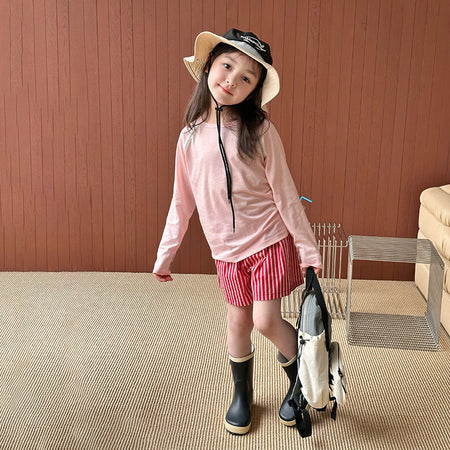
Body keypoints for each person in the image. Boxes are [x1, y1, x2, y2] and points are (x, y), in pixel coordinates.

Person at [153, 28, 322, 435]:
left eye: (246, 77)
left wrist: (308, 250)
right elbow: (181, 202)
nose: (232, 80)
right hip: (226, 252)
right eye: (227, 66)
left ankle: (302, 380)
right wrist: (165, 253)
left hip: (268, 242)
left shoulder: (261, 132)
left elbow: (286, 195)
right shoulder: (189, 138)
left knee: (265, 320)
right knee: (237, 323)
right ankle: (242, 394)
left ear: (253, 91)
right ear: (209, 66)